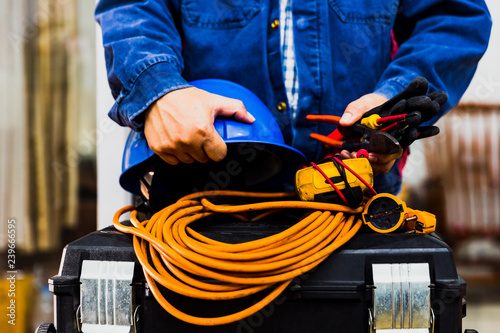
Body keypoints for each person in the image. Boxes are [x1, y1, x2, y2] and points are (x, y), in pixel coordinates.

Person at [95, 0, 491, 194]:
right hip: (198, 195)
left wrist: (392, 98)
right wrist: (157, 89)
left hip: (352, 195)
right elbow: (132, 8)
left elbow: (453, 20)